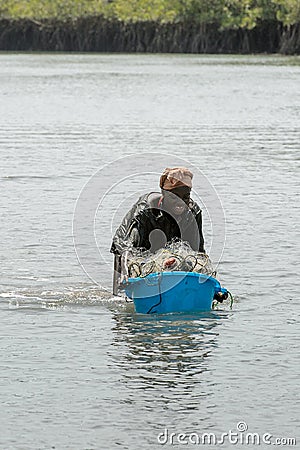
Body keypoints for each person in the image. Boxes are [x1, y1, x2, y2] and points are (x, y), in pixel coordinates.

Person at [110, 167, 205, 294]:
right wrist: (125, 275)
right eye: (174, 196)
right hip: (129, 247)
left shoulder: (193, 213)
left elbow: (198, 253)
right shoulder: (145, 211)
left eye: (186, 196)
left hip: (167, 247)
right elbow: (128, 250)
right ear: (164, 194)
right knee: (124, 290)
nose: (181, 202)